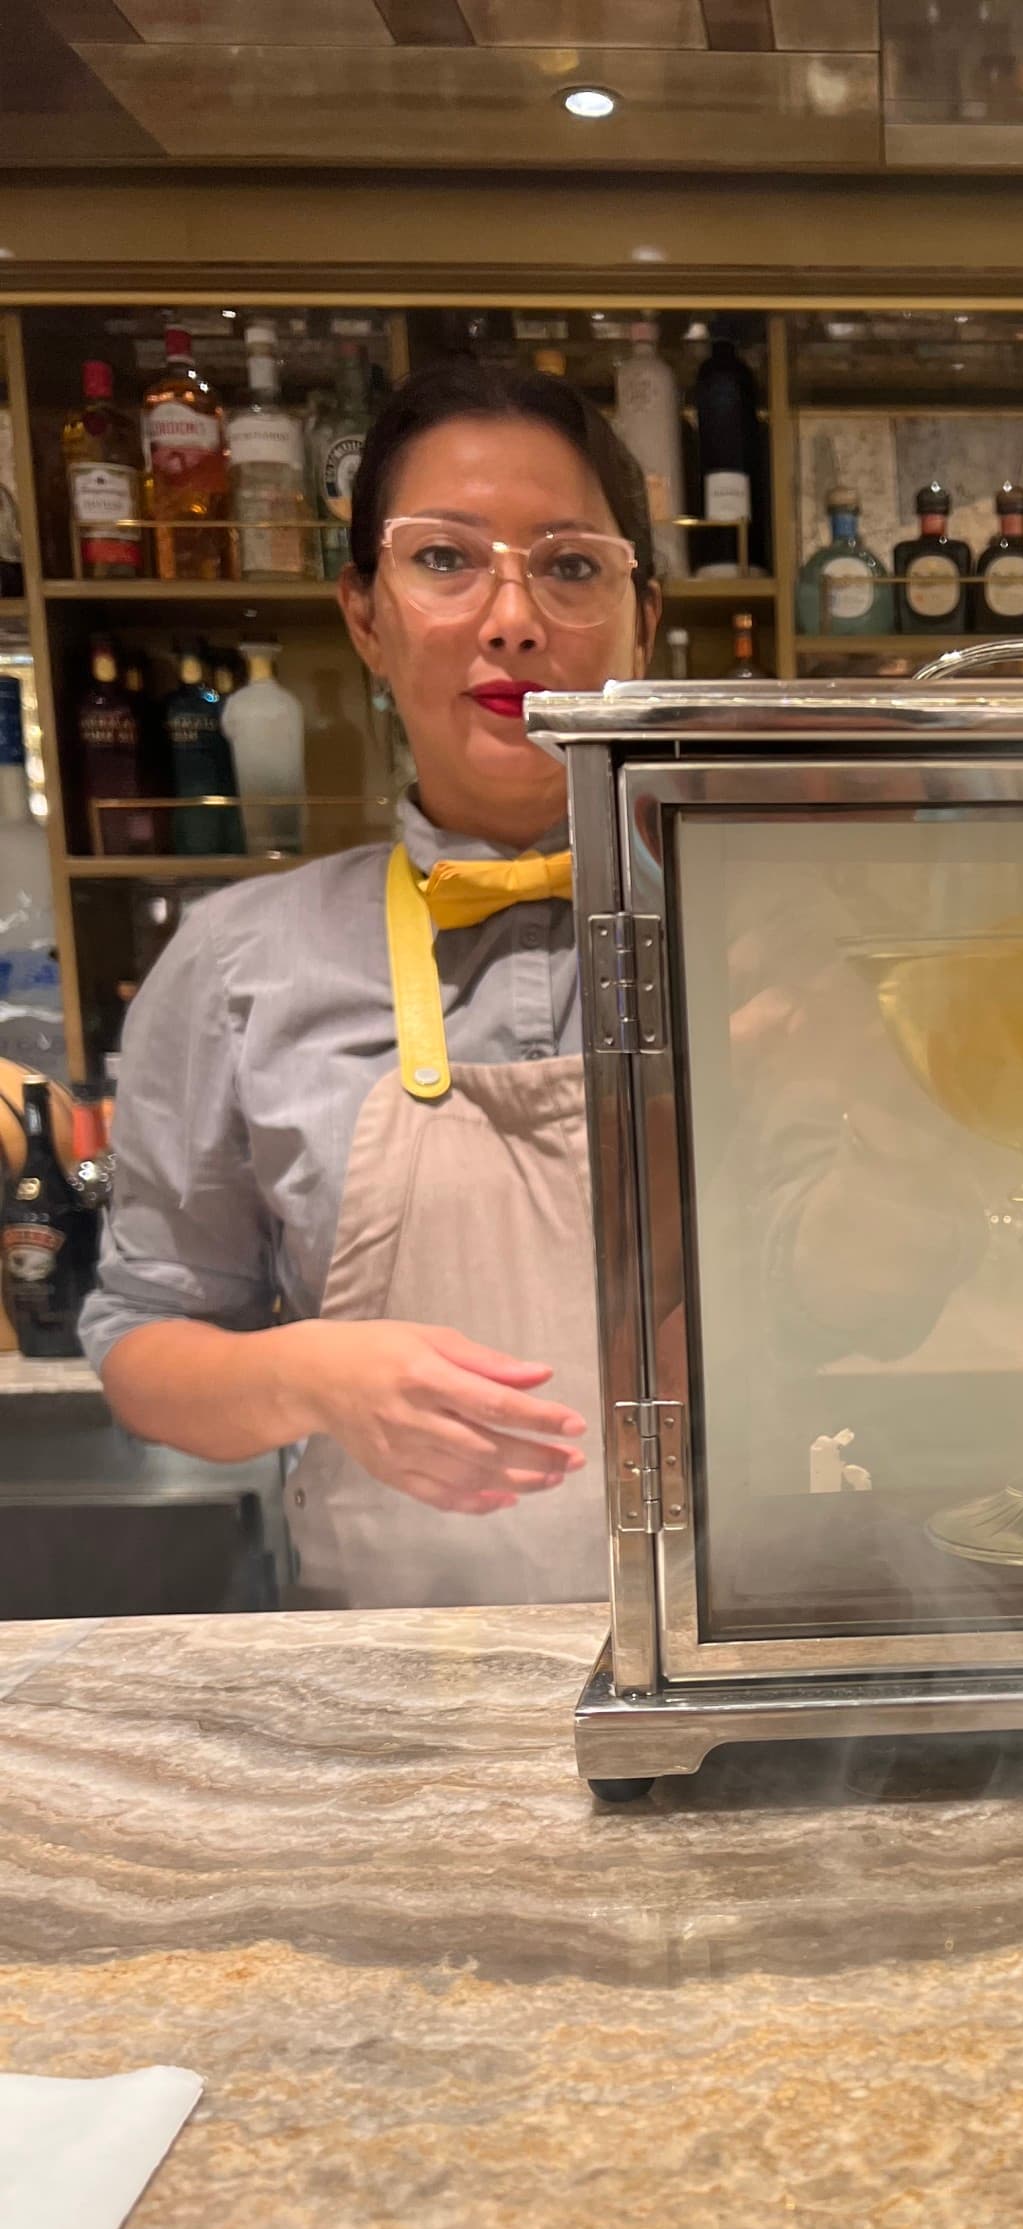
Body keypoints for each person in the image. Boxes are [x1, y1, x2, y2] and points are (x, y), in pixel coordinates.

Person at [81, 359, 662, 1607]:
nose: (513, 620)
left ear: (641, 622)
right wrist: (311, 1379)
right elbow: (141, 1344)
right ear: (365, 614)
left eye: (569, 565)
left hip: (731, 1666)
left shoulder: (748, 938)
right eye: (445, 559)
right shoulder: (241, 960)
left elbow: (882, 1319)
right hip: (387, 1682)